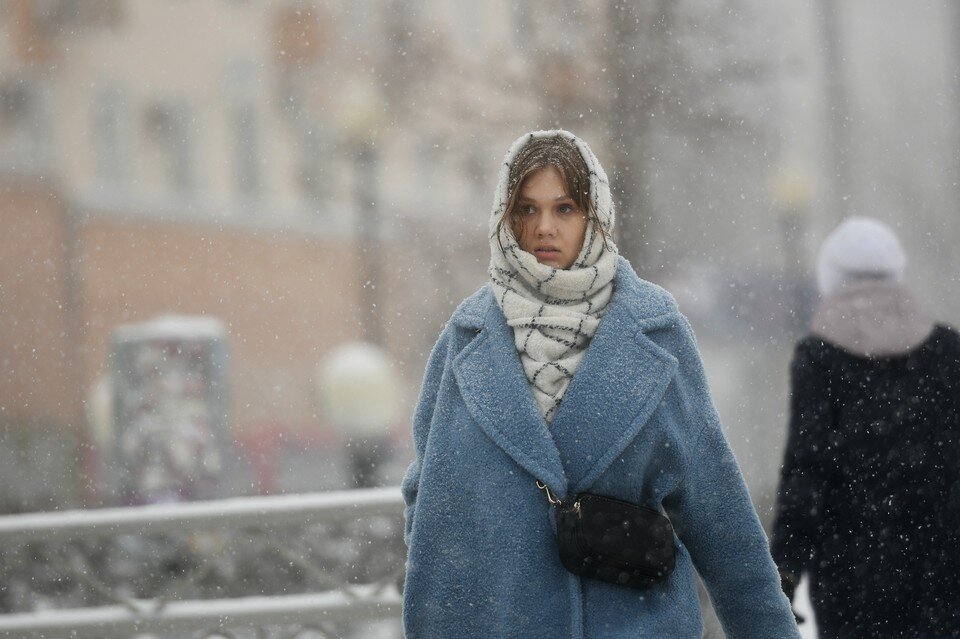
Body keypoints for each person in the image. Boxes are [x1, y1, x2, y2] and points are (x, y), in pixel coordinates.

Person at [401, 130, 799, 638]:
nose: (544, 228)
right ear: (505, 217)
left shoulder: (657, 335)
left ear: (596, 216)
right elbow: (428, 492)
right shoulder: (466, 339)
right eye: (526, 209)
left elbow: (719, 513)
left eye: (564, 208)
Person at [771, 217, 960, 639]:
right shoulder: (948, 352)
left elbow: (806, 470)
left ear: (831, 278)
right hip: (942, 572)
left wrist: (783, 570)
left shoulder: (820, 358)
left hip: (851, 573)